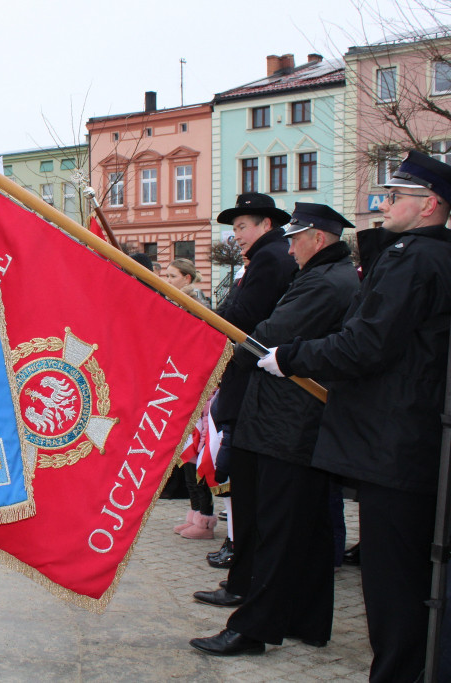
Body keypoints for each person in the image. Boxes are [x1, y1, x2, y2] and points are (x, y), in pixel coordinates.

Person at [258, 151, 451, 681]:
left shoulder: (413, 258)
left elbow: (367, 344)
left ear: (429, 205)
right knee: (409, 576)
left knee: (393, 582)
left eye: (396, 197)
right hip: (411, 437)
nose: (384, 204)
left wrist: (291, 357)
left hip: (395, 439)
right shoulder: (429, 255)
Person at [191, 203, 360, 656]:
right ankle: (307, 620)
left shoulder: (324, 281)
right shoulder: (324, 275)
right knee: (305, 531)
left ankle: (253, 628)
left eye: (296, 237)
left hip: (289, 422)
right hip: (290, 420)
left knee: (278, 530)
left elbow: (269, 334)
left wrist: (226, 351)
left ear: (317, 239)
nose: (289, 246)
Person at [194, 192, 296, 607]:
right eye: (234, 228)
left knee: (246, 483)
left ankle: (243, 577)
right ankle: (241, 573)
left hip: (254, 383)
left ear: (265, 225)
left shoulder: (270, 259)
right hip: (250, 382)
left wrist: (201, 321)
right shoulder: (264, 257)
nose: (236, 235)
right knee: (240, 479)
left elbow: (243, 316)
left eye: (241, 226)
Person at [163, 259, 216, 540]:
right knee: (186, 454)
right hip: (183, 387)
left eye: (172, 276)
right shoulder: (176, 304)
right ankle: (195, 513)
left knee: (196, 451)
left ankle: (205, 517)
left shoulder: (197, 307)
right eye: (166, 275)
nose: (167, 280)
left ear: (187, 278)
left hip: (197, 387)